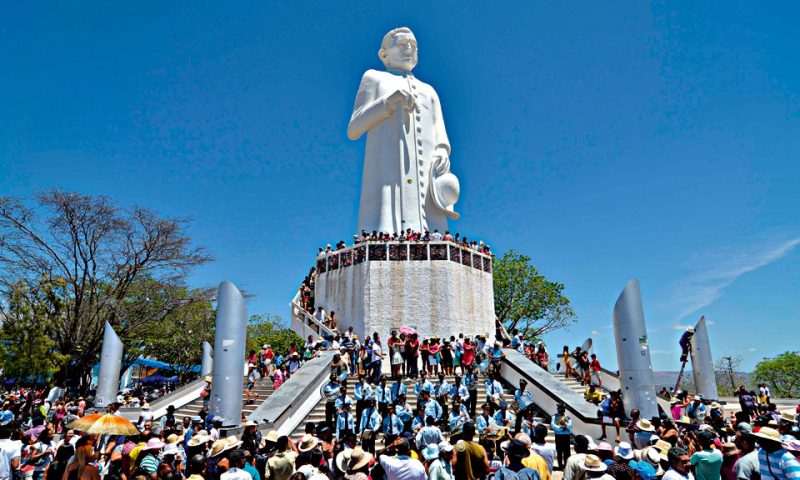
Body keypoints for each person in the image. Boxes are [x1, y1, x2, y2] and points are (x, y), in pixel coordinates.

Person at [348, 27, 458, 235]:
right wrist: (387, 103)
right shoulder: (374, 78)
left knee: (433, 220)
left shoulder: (429, 90)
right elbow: (354, 129)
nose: (409, 49)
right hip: (387, 171)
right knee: (385, 220)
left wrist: (443, 150)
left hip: (427, 171)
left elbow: (439, 129)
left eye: (413, 46)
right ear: (384, 54)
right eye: (402, 44)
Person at [551, 404, 573, 470]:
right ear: (558, 409)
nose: (562, 410)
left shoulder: (567, 417)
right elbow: (553, 425)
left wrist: (565, 425)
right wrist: (561, 428)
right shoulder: (554, 417)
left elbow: (570, 425)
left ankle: (566, 466)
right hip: (559, 436)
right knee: (559, 451)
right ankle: (560, 466)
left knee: (567, 452)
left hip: (566, 436)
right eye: (560, 408)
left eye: (563, 409)